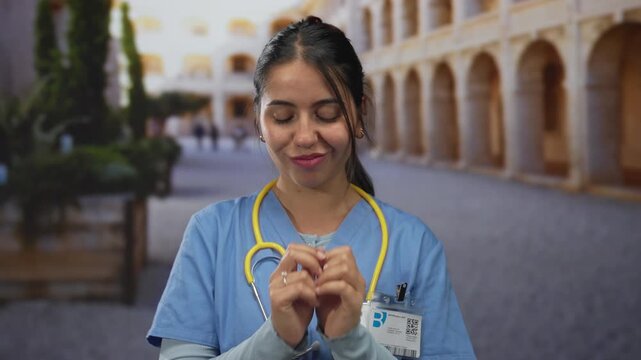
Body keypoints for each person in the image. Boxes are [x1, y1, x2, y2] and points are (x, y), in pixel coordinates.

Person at [147, 16, 476, 359]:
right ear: (259, 120)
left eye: (327, 114)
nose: (305, 137)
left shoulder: (414, 246)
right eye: (284, 117)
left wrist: (353, 341)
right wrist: (274, 341)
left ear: (360, 114)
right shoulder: (210, 234)